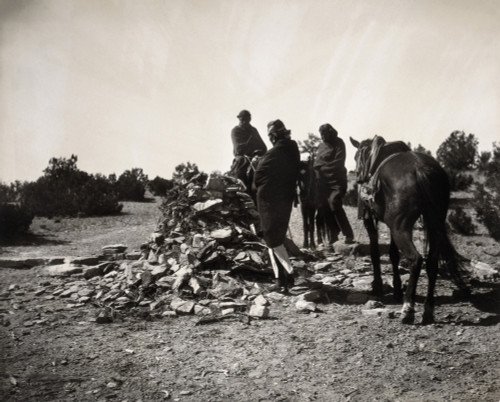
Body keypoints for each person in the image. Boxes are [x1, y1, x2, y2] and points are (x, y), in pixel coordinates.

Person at [254, 119, 300, 292]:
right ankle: (282, 279)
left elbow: (258, 176)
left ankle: (288, 274)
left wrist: (259, 162)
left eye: (271, 136)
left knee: (271, 237)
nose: (271, 139)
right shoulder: (292, 148)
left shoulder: (275, 152)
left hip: (269, 201)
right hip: (285, 199)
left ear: (274, 136)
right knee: (274, 238)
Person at [313, 123, 355, 245]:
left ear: (331, 132)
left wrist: (322, 168)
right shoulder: (321, 146)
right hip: (323, 182)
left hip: (337, 181)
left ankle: (348, 234)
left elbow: (338, 162)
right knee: (325, 207)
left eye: (324, 134)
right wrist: (318, 170)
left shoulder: (339, 143)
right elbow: (316, 164)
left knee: (334, 202)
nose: (322, 136)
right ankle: (333, 236)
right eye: (321, 134)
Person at [229, 110, 268, 189]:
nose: (244, 121)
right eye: (242, 119)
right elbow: (239, 149)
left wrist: (258, 153)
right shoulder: (235, 131)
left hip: (256, 156)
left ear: (249, 119)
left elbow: (263, 146)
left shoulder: (253, 130)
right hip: (242, 157)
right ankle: (241, 189)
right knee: (240, 167)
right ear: (239, 119)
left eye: (246, 119)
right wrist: (251, 142)